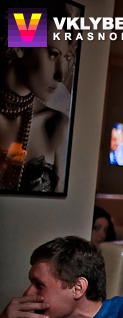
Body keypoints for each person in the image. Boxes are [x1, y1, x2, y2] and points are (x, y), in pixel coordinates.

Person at [0, 1, 75, 193]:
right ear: (20, 46)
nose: (60, 75)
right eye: (53, 54)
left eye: (63, 59)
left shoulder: (56, 125)